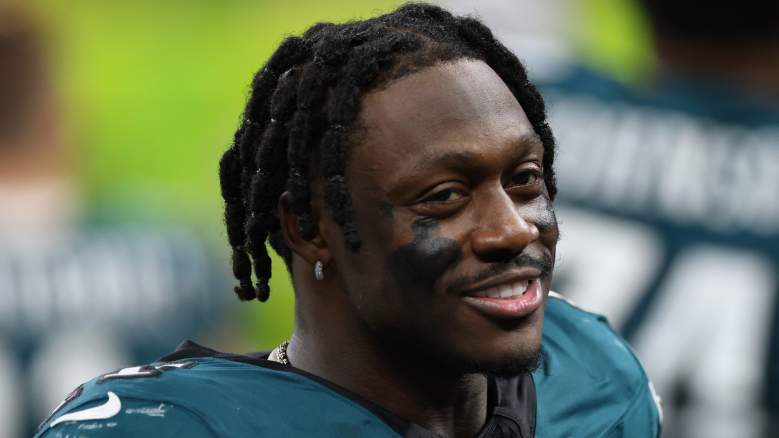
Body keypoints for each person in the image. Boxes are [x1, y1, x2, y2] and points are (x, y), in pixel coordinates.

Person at [35, 4, 662, 437]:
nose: (514, 229)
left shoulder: (590, 375)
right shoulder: (171, 426)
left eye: (523, 180)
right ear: (310, 228)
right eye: (445, 196)